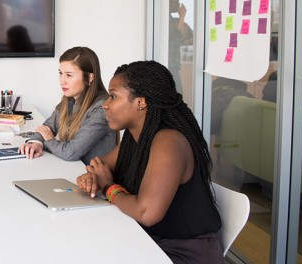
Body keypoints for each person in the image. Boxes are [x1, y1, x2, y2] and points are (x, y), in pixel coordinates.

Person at [77, 61, 222, 263]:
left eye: (113, 96)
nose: (105, 104)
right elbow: (99, 166)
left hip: (180, 253)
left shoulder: (169, 141)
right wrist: (91, 179)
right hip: (146, 239)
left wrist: (109, 187)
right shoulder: (136, 137)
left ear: (140, 102)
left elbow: (146, 213)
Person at [18, 46, 117, 165]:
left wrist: (49, 140)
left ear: (90, 78)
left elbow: (70, 152)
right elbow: (48, 127)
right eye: (60, 73)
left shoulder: (101, 109)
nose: (62, 80)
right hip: (74, 170)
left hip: (93, 178)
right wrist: (36, 143)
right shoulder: (69, 99)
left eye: (69, 75)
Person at [168, 0, 193, 94]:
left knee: (177, 93)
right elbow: (176, 35)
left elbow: (188, 37)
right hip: (168, 64)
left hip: (173, 64)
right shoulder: (163, 20)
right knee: (177, 93)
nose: (178, 5)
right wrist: (182, 16)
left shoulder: (175, 21)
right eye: (175, 2)